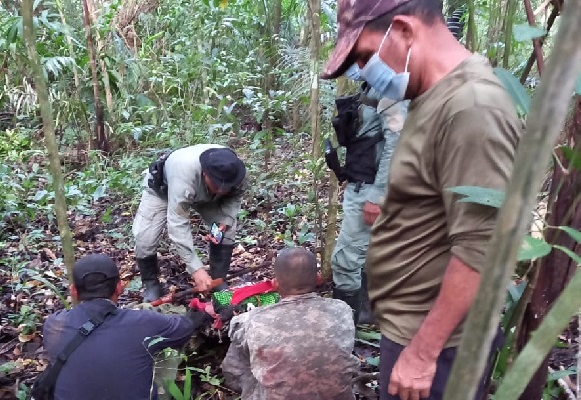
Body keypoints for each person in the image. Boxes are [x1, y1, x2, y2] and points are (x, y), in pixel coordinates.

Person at [320, 0, 522, 399]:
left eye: (364, 55)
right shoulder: (431, 97)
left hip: (438, 348)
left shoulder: (472, 107)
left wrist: (423, 353)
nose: (362, 71)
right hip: (412, 332)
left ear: (404, 30)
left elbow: (484, 245)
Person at [42, 253, 194, 400]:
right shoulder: (142, 323)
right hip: (203, 302)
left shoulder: (53, 326)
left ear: (74, 291)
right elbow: (185, 326)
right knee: (161, 347)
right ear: (119, 287)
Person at [326, 66, 407, 326]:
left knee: (345, 260)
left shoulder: (392, 86)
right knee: (368, 254)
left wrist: (377, 196)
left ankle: (344, 331)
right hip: (364, 181)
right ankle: (365, 317)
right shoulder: (376, 84)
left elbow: (395, 141)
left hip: (371, 188)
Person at [221, 247, 359, 399]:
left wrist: (241, 320)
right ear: (318, 278)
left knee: (239, 345)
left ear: (275, 284)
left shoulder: (254, 320)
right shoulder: (341, 309)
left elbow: (235, 331)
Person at [133, 144, 248, 302]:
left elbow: (235, 197)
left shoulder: (234, 173)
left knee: (227, 230)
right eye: (216, 184)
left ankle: (218, 283)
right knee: (145, 238)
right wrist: (196, 269)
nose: (221, 190)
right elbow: (178, 223)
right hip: (163, 189)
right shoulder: (184, 175)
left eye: (225, 187)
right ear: (205, 173)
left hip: (206, 196)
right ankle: (151, 284)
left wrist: (225, 220)